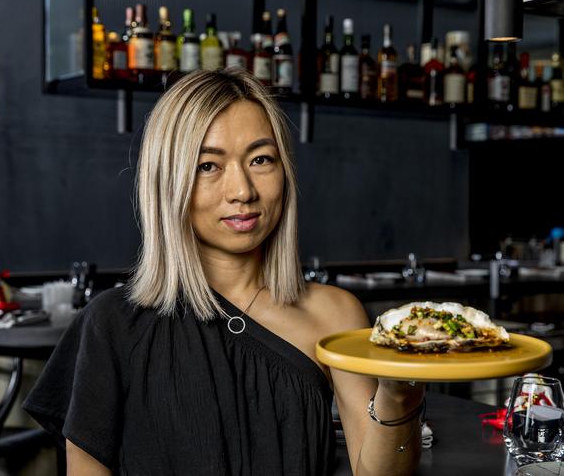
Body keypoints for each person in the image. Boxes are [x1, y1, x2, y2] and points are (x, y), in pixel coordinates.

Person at [23, 68, 425, 476]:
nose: (242, 191)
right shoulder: (112, 324)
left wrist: (398, 398)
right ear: (169, 181)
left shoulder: (334, 314)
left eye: (261, 159)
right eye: (208, 166)